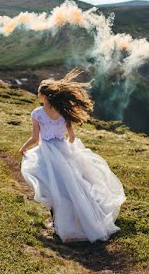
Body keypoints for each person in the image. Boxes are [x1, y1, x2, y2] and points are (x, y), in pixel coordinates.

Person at [19, 69, 124, 242]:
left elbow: (35, 138)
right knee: (72, 188)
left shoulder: (37, 113)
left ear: (44, 96)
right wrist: (67, 149)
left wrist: (23, 148)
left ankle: (57, 223)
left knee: (52, 188)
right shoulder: (63, 111)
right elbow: (72, 137)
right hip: (63, 150)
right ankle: (81, 220)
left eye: (39, 92)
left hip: (46, 152)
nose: (38, 94)